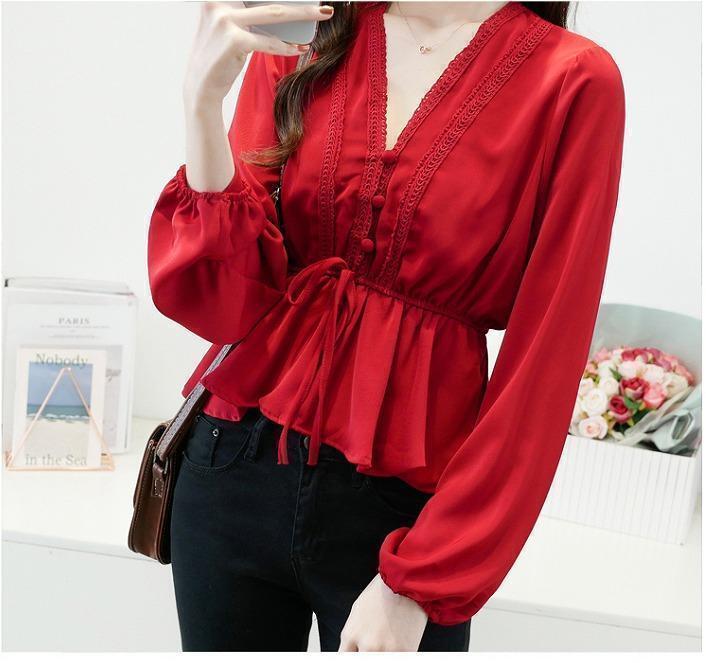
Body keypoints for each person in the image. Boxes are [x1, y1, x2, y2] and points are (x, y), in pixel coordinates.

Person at [147, 0, 625, 652]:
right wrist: (201, 104)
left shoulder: (572, 81)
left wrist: (423, 581)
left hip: (403, 515)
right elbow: (228, 301)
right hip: (231, 465)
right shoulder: (314, 29)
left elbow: (544, 360)